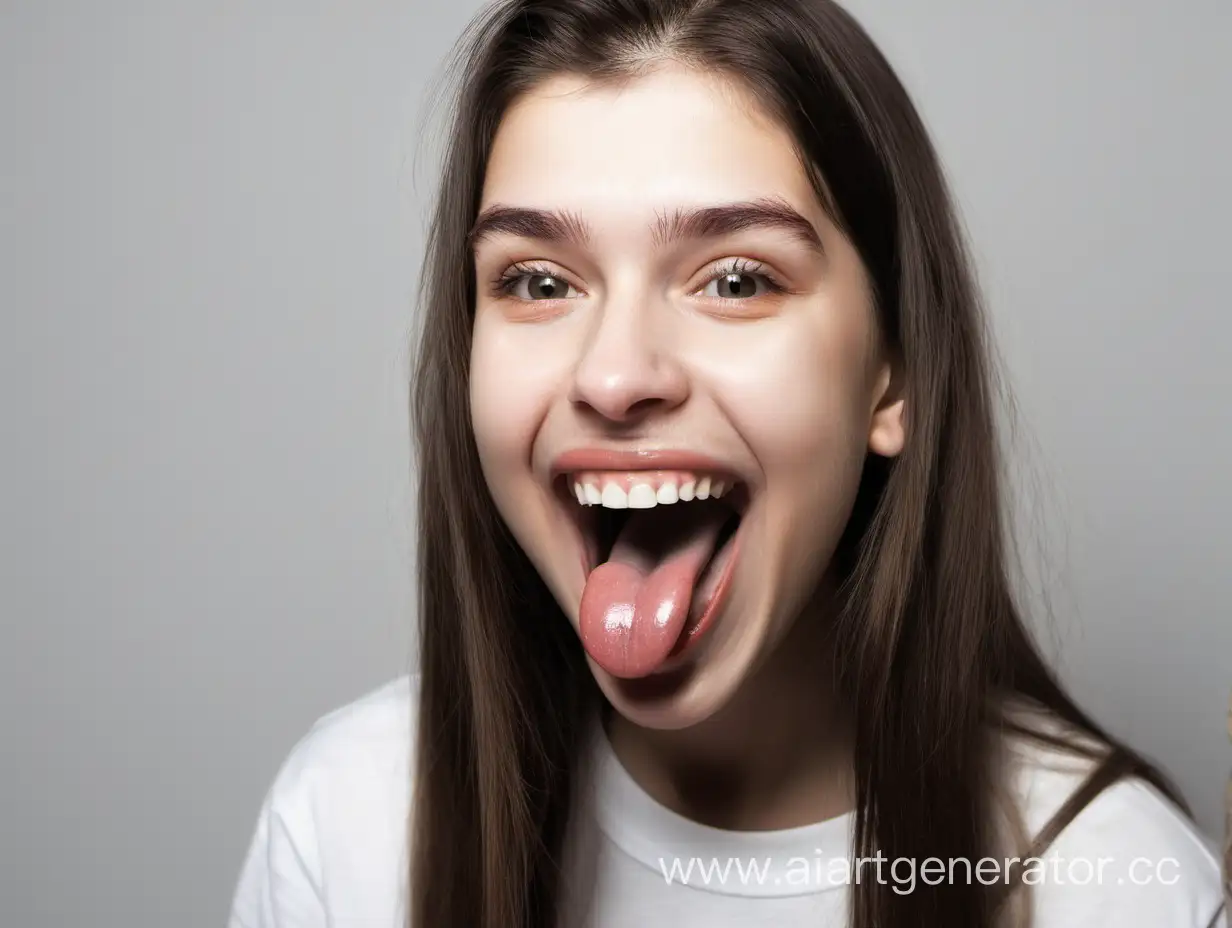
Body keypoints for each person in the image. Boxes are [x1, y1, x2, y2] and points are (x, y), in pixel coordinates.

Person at [226, 1, 1228, 926]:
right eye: (536, 281)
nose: (614, 376)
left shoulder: (1107, 882)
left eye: (735, 278)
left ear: (893, 374)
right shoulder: (350, 825)